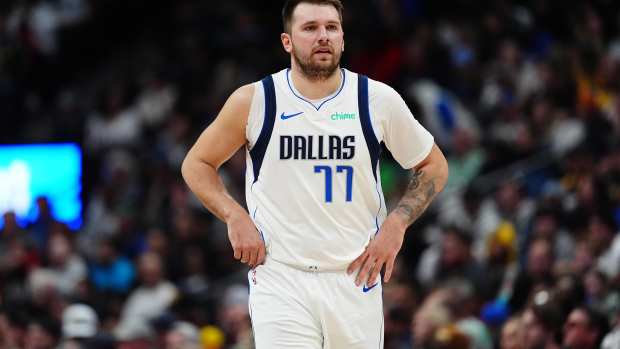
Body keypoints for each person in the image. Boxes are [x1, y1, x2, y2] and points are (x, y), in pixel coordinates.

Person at [181, 0, 448, 347]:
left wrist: (397, 224)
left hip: (354, 276)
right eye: (310, 28)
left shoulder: (377, 99)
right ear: (287, 41)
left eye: (331, 27)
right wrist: (234, 216)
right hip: (282, 278)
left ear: (342, 38)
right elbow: (196, 164)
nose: (322, 36)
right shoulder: (256, 100)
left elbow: (434, 166)